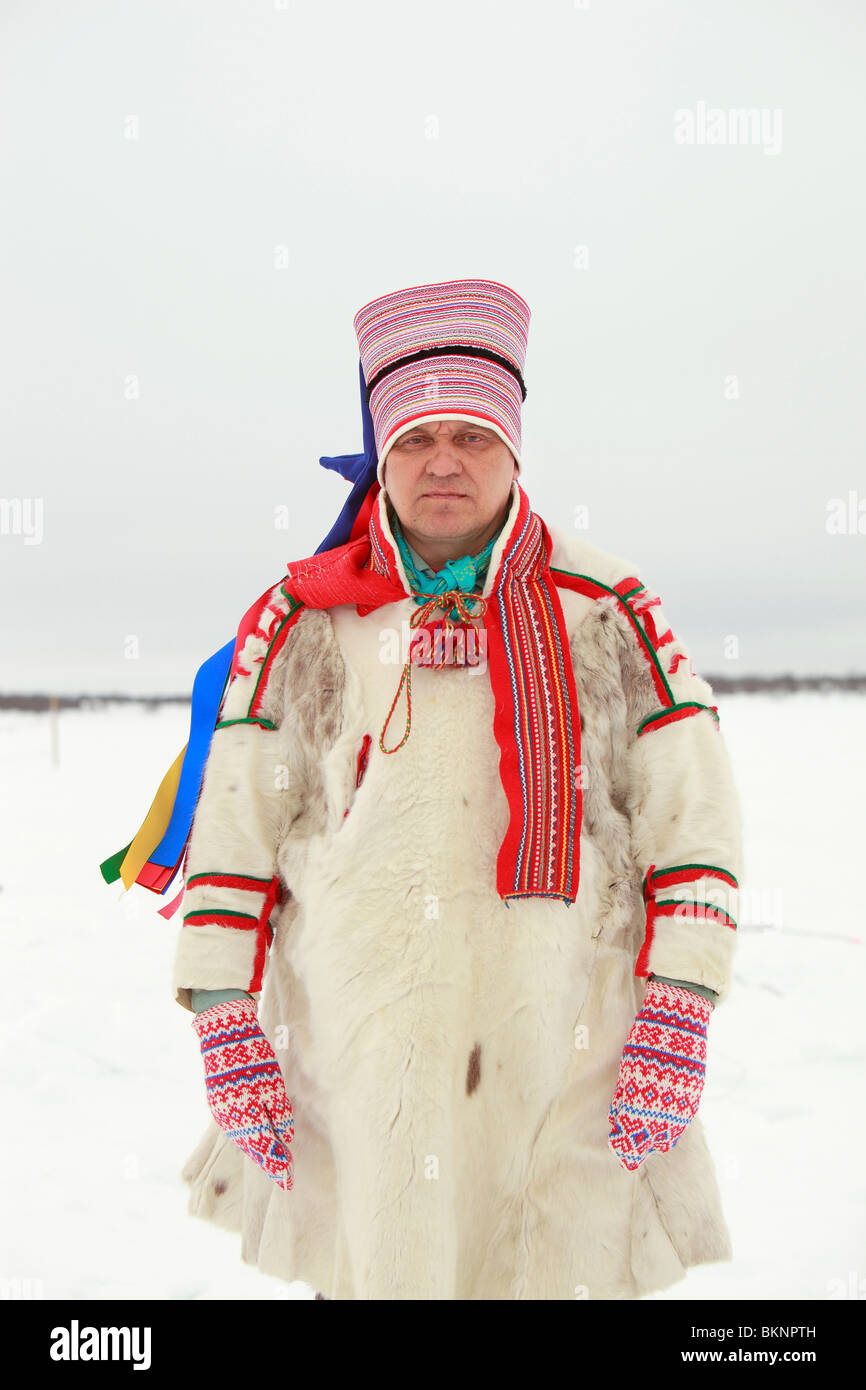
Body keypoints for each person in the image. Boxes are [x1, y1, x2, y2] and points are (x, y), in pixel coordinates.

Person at [173, 277, 744, 1300]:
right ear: (381, 457)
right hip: (358, 1064)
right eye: (416, 439)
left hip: (570, 1057)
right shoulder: (301, 621)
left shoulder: (605, 607)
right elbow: (233, 829)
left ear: (513, 450)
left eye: (471, 437)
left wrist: (680, 1009)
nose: (443, 462)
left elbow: (691, 815)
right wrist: (221, 1010)